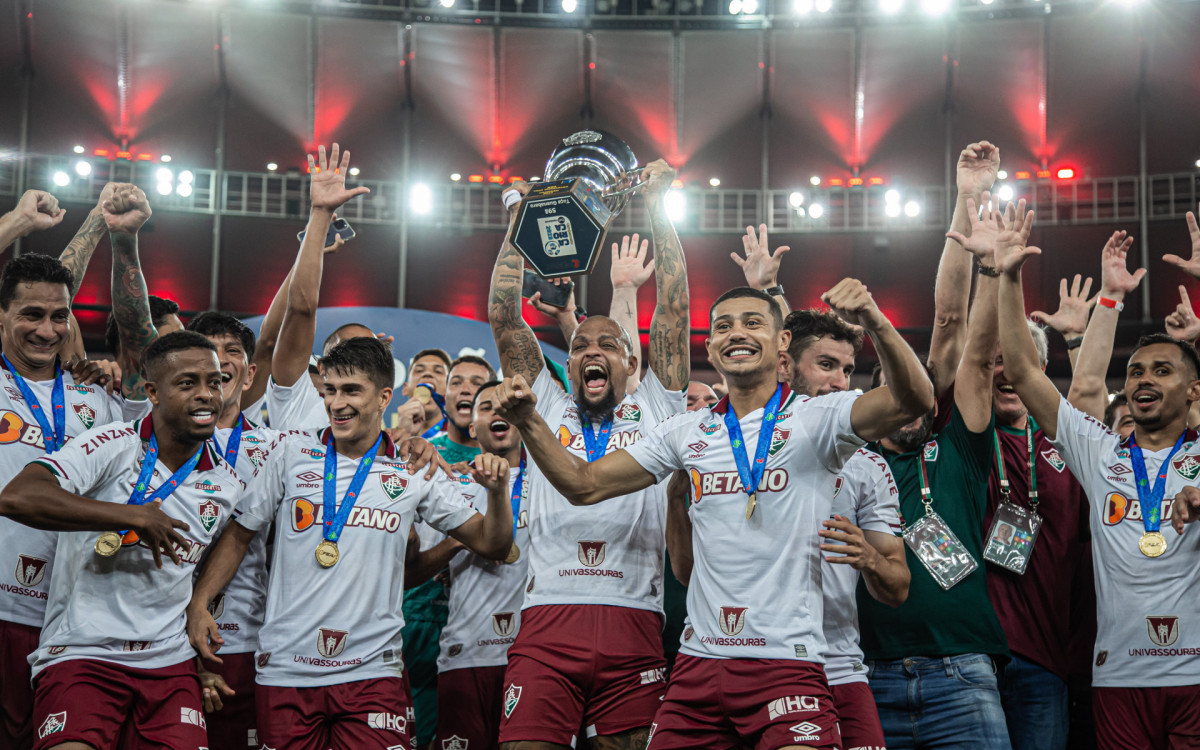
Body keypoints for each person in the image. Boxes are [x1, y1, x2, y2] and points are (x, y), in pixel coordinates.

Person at [495, 280, 932, 749]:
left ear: (782, 341)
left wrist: (875, 319)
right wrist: (529, 421)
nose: (735, 333)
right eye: (723, 326)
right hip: (698, 666)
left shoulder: (819, 418)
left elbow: (914, 401)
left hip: (785, 661)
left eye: (752, 323)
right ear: (711, 346)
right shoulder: (685, 433)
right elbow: (583, 484)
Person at [187, 333, 513, 750]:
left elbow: (493, 544)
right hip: (286, 669)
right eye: (331, 390)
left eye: (352, 391)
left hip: (372, 673)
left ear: (383, 398)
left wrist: (497, 492)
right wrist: (200, 602)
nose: (337, 404)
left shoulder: (413, 467)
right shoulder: (290, 452)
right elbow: (238, 533)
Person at [488, 159, 691, 750]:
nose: (592, 350)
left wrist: (656, 204)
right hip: (549, 618)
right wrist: (520, 224)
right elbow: (505, 317)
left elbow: (674, 309)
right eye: (580, 345)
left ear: (632, 362)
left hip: (635, 619)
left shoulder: (658, 404)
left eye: (610, 343)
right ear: (569, 362)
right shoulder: (545, 401)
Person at [997, 204, 1200, 748]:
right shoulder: (1098, 451)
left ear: (1193, 391)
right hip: (1118, 675)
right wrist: (1008, 275)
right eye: (1135, 372)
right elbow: (1021, 369)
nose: (1143, 380)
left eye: (1162, 370)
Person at [0, 331, 240, 750]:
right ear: (153, 392)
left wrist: (199, 623)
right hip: (82, 655)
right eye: (187, 383)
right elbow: (18, 497)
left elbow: (207, 560)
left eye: (214, 382)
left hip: (169, 666)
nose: (206, 395)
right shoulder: (109, 444)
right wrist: (130, 516)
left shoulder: (227, 482)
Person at [856, 198, 1018, 750]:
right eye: (896, 392)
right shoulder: (847, 461)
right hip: (866, 672)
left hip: (962, 671)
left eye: (919, 392)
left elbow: (972, 354)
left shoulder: (959, 448)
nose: (911, 402)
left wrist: (993, 269)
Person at [950, 199, 1099, 750]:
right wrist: (990, 272)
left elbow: (1087, 398)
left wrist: (1086, 331)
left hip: (1046, 657)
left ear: (1038, 371)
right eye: (995, 363)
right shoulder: (965, 438)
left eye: (1017, 364)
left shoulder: (1069, 449)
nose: (1006, 373)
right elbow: (953, 340)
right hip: (971, 657)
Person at [0, 250, 133, 749]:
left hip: (76, 626)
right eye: (31, 315)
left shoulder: (97, 397)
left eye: (60, 316)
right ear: (2, 315)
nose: (47, 330)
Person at [781, 308, 910, 749]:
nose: (841, 382)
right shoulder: (730, 446)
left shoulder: (868, 465)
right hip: (758, 660)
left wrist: (869, 557)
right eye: (826, 365)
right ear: (786, 364)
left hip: (837, 665)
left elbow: (897, 588)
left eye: (849, 369)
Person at [181, 311, 274, 749]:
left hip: (252, 645)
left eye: (231, 351)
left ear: (250, 372)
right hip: (168, 642)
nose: (220, 360)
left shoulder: (280, 449)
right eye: (208, 350)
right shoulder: (159, 439)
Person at [432, 380, 529, 750]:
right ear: (472, 428)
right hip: (466, 653)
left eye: (505, 406)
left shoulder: (552, 483)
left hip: (534, 655)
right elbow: (414, 571)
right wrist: (459, 541)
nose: (498, 412)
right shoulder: (449, 487)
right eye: (486, 407)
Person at [409, 352, 495, 750]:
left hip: (482, 627)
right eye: (457, 381)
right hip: (416, 617)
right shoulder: (420, 452)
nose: (466, 388)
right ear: (443, 393)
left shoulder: (513, 457)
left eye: (478, 383)